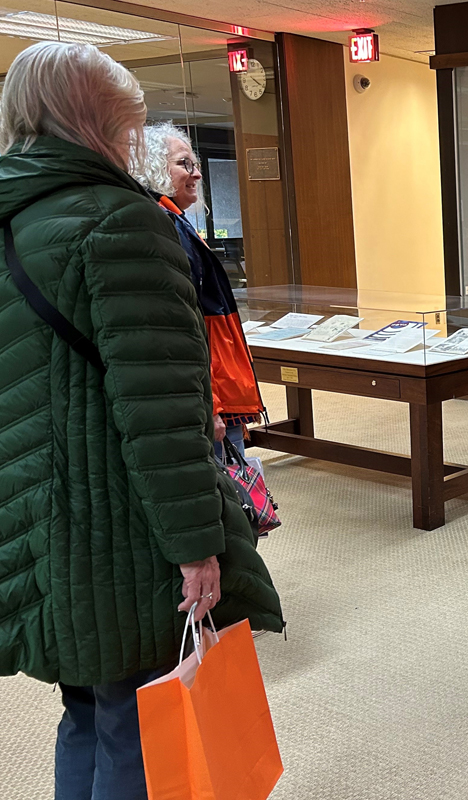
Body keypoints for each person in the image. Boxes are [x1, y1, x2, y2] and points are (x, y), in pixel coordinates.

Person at [0, 42, 284, 798]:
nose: (136, 143)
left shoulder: (11, 222)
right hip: (118, 531)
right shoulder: (123, 224)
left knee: (86, 710)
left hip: (32, 521)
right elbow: (160, 413)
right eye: (129, 126)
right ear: (94, 122)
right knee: (138, 722)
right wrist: (197, 546)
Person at [132, 124, 264, 461]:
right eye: (184, 164)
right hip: (208, 392)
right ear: (153, 168)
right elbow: (180, 329)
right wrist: (212, 406)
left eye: (196, 165)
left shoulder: (174, 222)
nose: (197, 175)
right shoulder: (164, 228)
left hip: (216, 385)